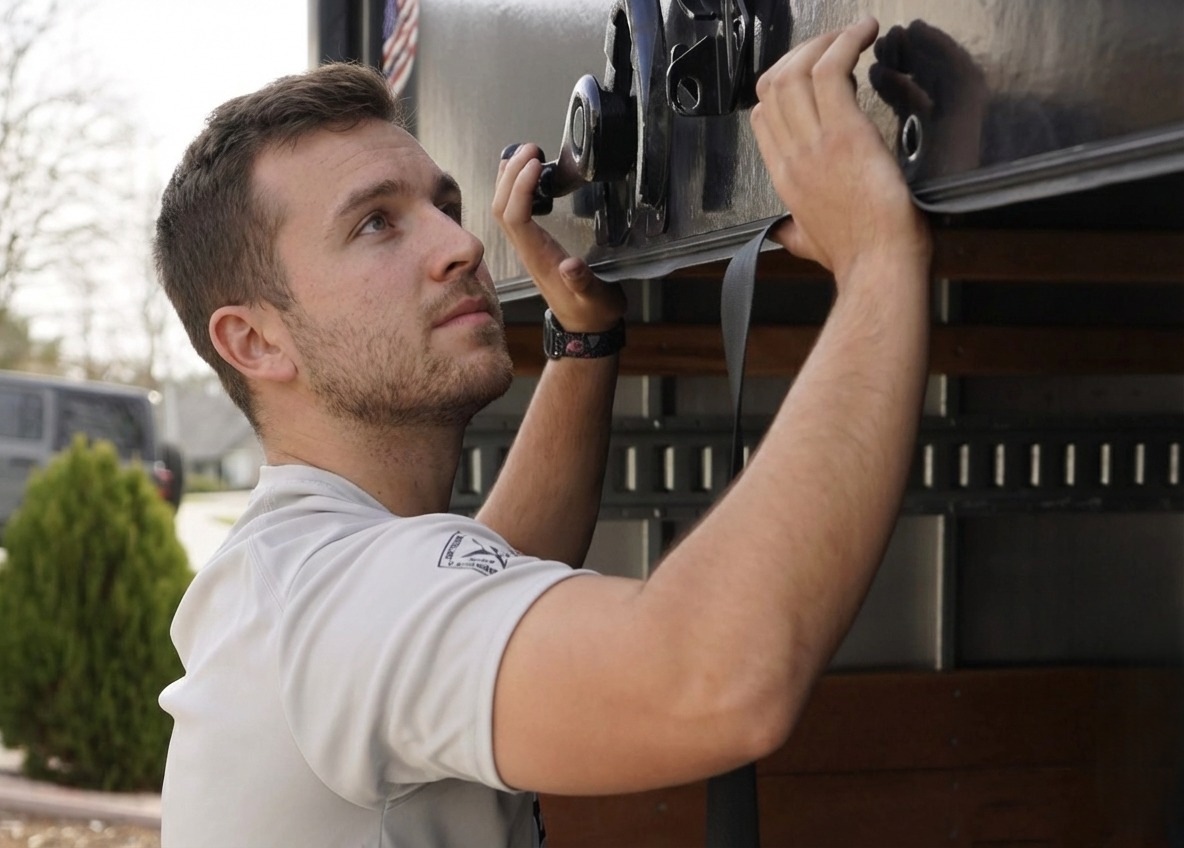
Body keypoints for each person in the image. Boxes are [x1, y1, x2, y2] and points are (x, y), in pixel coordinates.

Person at [154, 15, 931, 848]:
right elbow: (707, 677)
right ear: (255, 342)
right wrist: (879, 255)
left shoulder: (292, 575)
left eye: (444, 205)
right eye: (376, 223)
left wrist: (583, 343)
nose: (461, 244)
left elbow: (493, 567)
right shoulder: (335, 601)